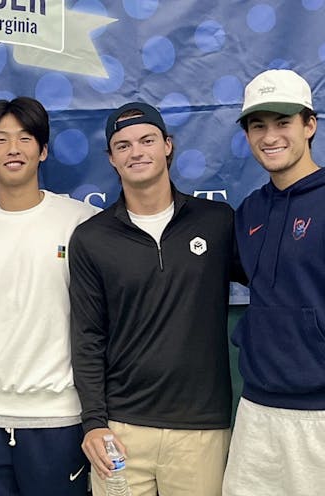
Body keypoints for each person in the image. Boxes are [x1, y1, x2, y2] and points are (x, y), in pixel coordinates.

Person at [68, 102, 241, 496]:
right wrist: (94, 422)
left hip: (200, 430)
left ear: (167, 145)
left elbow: (274, 279)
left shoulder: (217, 221)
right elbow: (88, 337)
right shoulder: (92, 238)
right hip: (121, 430)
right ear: (111, 158)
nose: (136, 152)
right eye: (123, 145)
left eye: (147, 140)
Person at [0, 97, 97, 496]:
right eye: (1, 140)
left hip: (59, 417)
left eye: (25, 138)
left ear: (43, 150)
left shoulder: (78, 221)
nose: (13, 149)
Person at [224, 69, 325, 495]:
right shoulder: (250, 210)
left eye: (283, 122)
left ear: (309, 125)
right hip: (257, 408)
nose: (270, 137)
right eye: (257, 125)